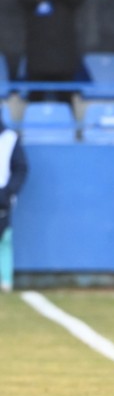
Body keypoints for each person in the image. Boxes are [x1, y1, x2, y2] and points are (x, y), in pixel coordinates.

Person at [15, 0, 85, 104]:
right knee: (36, 94)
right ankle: (31, 127)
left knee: (65, 96)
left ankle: (69, 128)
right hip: (37, 45)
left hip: (63, 46)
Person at [0, 119, 28, 293]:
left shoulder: (10, 138)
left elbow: (21, 168)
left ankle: (6, 281)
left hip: (1, 199)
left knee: (4, 239)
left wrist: (8, 192)